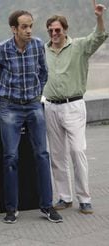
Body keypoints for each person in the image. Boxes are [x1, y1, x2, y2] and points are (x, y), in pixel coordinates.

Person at [0, 10, 63, 224]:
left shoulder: (37, 45)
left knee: (42, 155)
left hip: (34, 105)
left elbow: (44, 72)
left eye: (30, 26)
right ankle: (11, 208)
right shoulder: (2, 48)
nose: (28, 30)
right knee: (11, 157)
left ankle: (47, 206)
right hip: (9, 107)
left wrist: (36, 93)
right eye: (24, 27)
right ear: (14, 29)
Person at [43, 2, 108, 214]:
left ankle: (85, 198)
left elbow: (98, 37)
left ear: (65, 30)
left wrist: (98, 17)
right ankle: (64, 197)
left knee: (78, 151)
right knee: (57, 154)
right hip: (51, 106)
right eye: (51, 30)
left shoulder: (79, 46)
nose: (54, 33)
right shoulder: (43, 51)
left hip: (74, 106)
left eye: (58, 29)